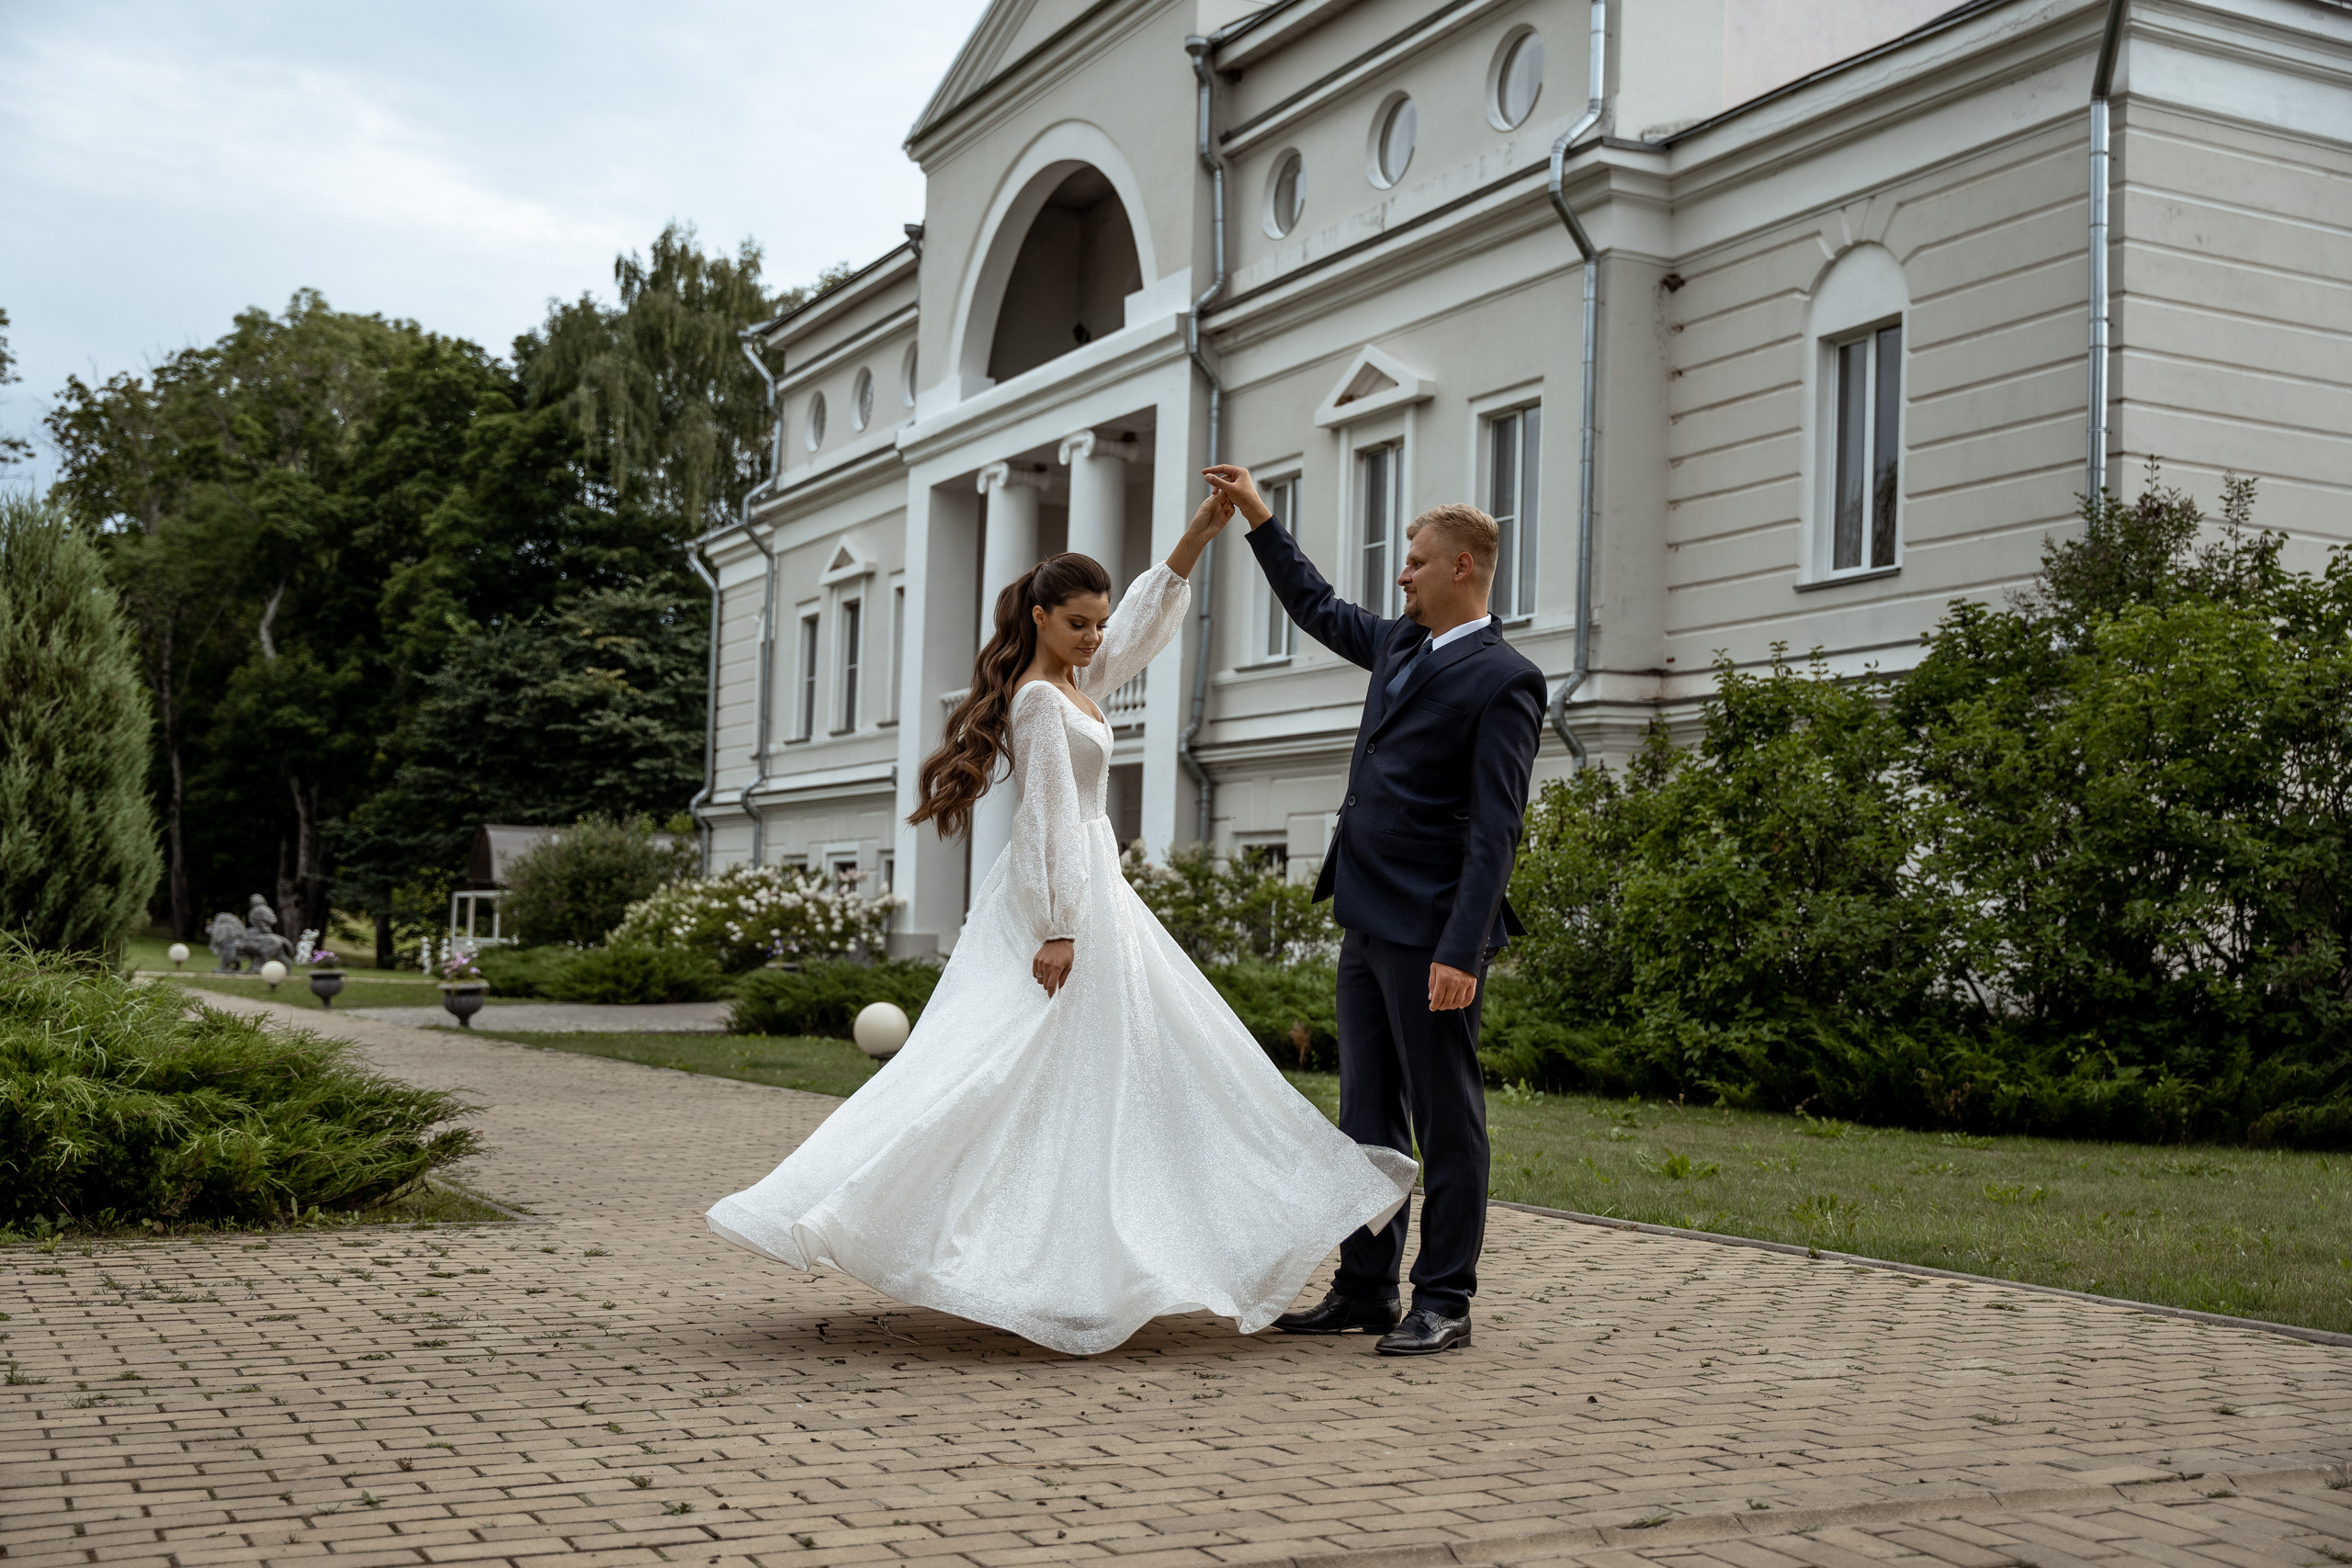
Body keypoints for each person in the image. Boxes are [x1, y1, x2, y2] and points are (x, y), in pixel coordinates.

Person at [704, 489, 1415, 1357]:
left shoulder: (1079, 681)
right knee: (1012, 1071)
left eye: (1097, 623)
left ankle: (1088, 1261)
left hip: (1093, 891)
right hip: (1062, 899)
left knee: (1102, 1078)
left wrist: (1197, 535)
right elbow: (1041, 818)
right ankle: (989, 1248)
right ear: (1040, 617)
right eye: (1077, 623)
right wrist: (1057, 925)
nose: (1092, 637)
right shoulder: (1041, 703)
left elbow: (1142, 632)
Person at [1201, 464, 1546, 1356]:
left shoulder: (1504, 680)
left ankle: (1446, 1298)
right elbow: (1315, 606)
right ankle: (1364, 1286)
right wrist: (1256, 517)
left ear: (1464, 567)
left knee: (1446, 1122)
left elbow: (1496, 831)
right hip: (1363, 914)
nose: (1403, 575)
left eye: (1417, 562)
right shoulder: (1400, 645)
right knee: (1365, 1118)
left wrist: (1461, 952)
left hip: (1433, 931)